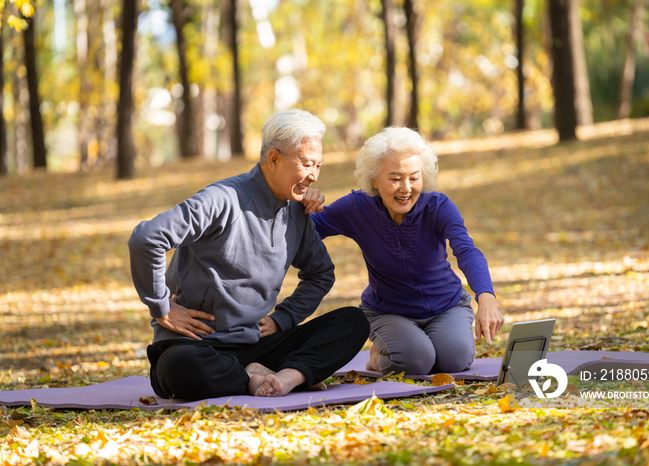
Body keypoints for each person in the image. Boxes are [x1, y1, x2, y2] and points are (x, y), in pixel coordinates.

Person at [128, 109, 369, 401]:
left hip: (257, 343)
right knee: (180, 368)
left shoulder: (296, 212)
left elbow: (320, 274)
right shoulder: (222, 199)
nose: (313, 176)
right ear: (274, 159)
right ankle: (252, 378)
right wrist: (162, 306)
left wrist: (284, 318)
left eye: (318, 166)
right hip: (196, 346)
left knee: (353, 322)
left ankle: (287, 376)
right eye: (306, 164)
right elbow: (147, 238)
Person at [304, 127, 504, 375]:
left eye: (414, 177)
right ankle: (377, 357)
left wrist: (485, 296)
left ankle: (417, 344)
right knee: (416, 362)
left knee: (455, 360)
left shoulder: (438, 207)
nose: (406, 188)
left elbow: (467, 251)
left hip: (446, 306)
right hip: (388, 311)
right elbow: (307, 230)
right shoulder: (357, 208)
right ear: (375, 180)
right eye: (395, 178)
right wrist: (302, 201)